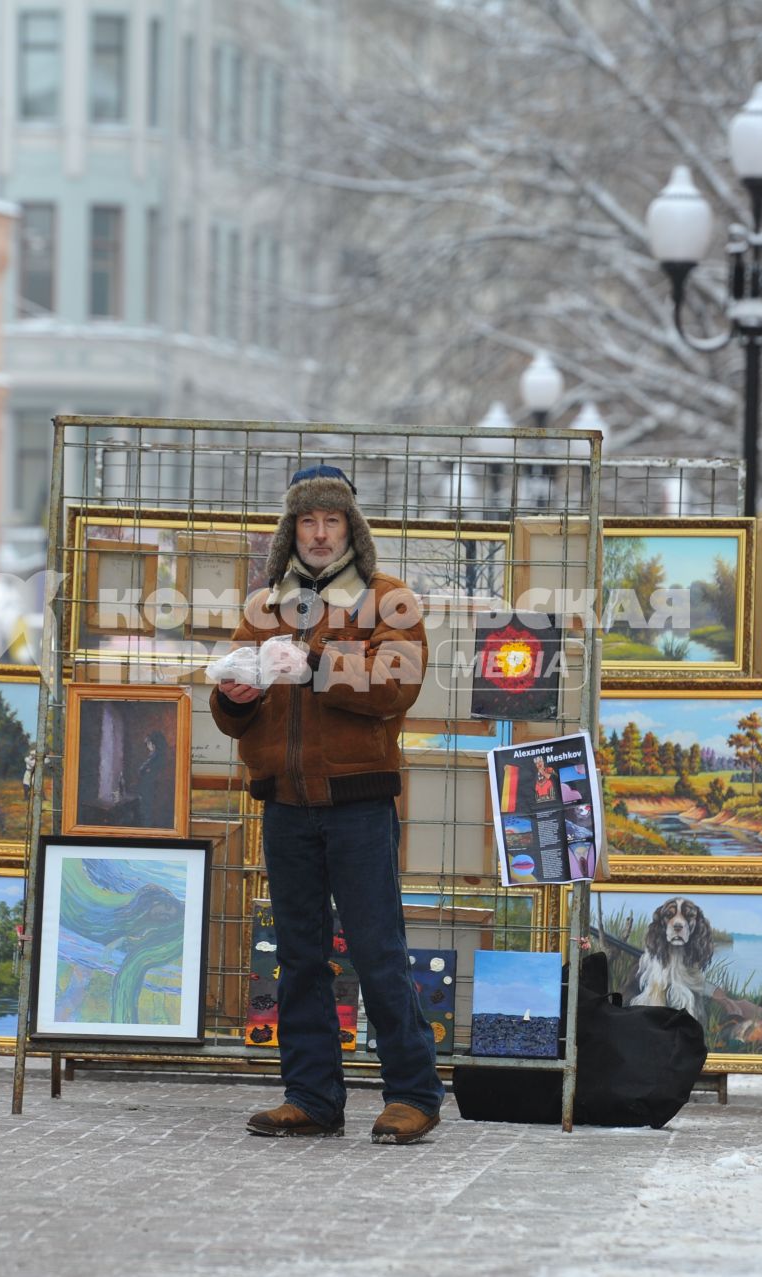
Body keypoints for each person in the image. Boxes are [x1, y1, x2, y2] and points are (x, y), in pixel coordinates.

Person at [213, 463, 444, 1146]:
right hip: (284, 803)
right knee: (299, 956)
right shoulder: (264, 606)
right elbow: (231, 709)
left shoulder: (389, 599)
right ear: (292, 530)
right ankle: (312, 1094)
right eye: (307, 521)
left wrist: (313, 667)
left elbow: (395, 685)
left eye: (331, 520)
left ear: (351, 528)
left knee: (377, 951)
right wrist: (234, 695)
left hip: (358, 804)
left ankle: (413, 1093)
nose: (318, 533)